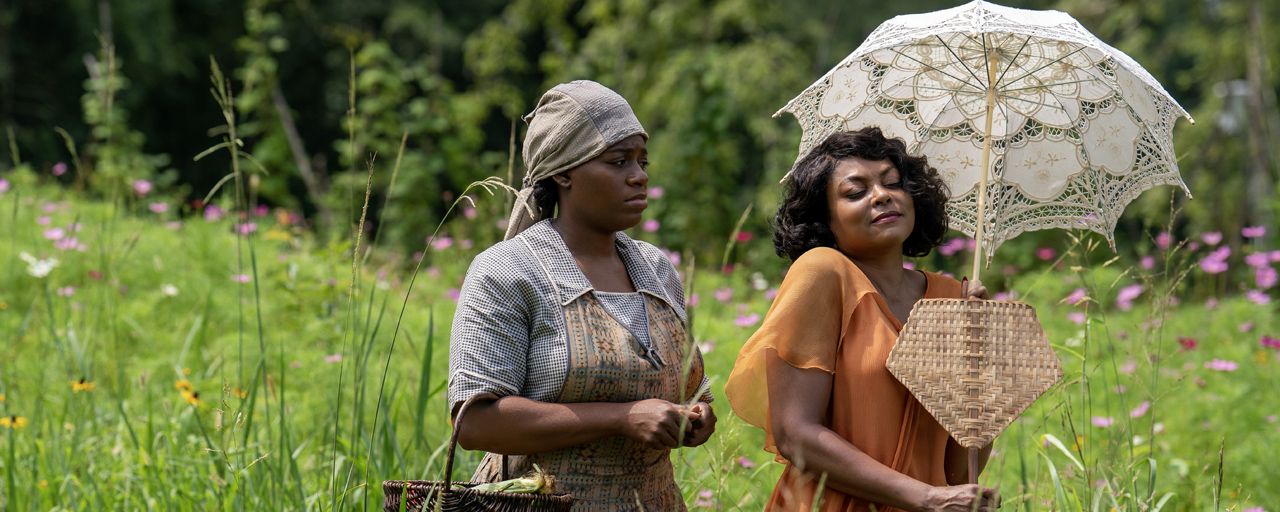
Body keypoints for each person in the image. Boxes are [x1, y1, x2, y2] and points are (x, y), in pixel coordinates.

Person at [447, 80, 715, 511]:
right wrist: (621, 418)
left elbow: (688, 390)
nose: (639, 175)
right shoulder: (508, 270)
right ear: (564, 172)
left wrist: (695, 417)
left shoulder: (656, 269)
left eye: (642, 160)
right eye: (618, 161)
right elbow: (474, 424)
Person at [725, 127, 1000, 512]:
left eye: (893, 183)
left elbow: (956, 471)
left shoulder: (952, 297)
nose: (882, 195)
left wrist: (981, 361)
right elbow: (795, 434)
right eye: (856, 192)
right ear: (825, 219)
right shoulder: (823, 273)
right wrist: (925, 497)